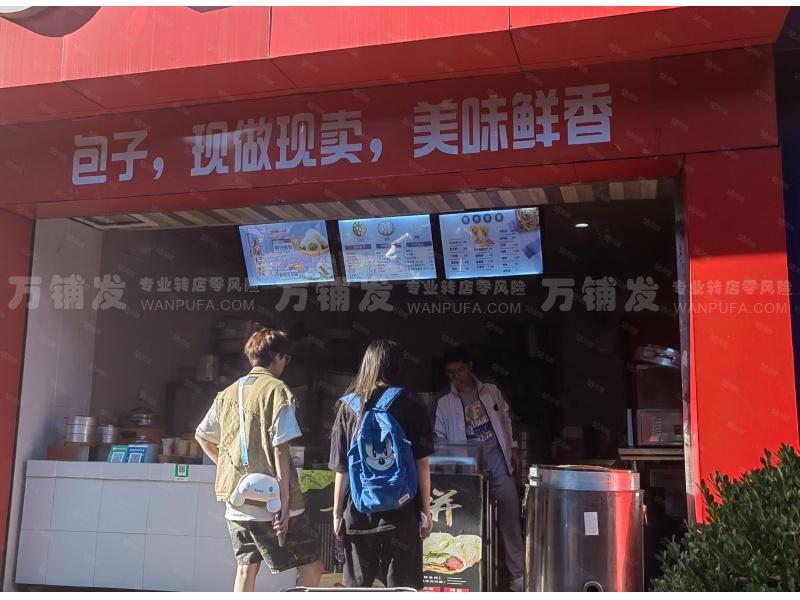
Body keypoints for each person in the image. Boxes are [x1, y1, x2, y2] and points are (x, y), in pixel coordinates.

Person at [195, 327, 324, 592]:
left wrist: (229, 468)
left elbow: (202, 436)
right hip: (274, 502)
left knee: (245, 569)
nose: (285, 364)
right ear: (278, 357)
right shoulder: (277, 390)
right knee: (312, 565)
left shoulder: (228, 393)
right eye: (286, 358)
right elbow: (280, 447)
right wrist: (285, 502)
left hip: (238, 501)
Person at [329, 340, 434, 589]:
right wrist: (426, 512)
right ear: (398, 366)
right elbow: (422, 464)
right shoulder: (413, 403)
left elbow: (342, 468)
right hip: (402, 513)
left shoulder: (348, 407)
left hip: (358, 513)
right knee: (401, 588)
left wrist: (337, 514)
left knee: (358, 589)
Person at [434, 347, 525, 592]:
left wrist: (514, 448)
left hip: (499, 464)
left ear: (470, 366)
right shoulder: (444, 402)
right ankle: (473, 579)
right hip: (468, 474)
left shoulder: (490, 390)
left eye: (460, 370)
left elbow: (507, 419)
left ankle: (518, 577)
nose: (457, 376)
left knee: (509, 522)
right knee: (470, 525)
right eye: (451, 372)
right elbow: (439, 439)